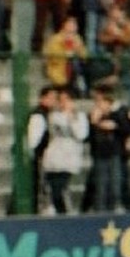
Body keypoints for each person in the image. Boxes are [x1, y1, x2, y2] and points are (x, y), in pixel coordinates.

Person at [39, 89, 88, 214]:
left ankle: (65, 212)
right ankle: (59, 211)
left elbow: (81, 134)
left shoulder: (79, 116)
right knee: (52, 188)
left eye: (66, 100)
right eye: (61, 100)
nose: (63, 103)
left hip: (68, 158)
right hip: (54, 157)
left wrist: (71, 117)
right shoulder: (53, 116)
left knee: (61, 187)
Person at [20, 86, 59, 215]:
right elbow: (32, 141)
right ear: (43, 98)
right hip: (35, 161)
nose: (54, 101)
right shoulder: (38, 116)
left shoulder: (45, 115)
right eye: (51, 98)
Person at [42, 16, 88, 97]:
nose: (72, 27)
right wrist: (64, 46)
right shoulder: (55, 39)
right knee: (74, 64)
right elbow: (52, 57)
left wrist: (78, 49)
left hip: (74, 68)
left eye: (74, 25)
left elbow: (85, 56)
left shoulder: (77, 39)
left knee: (78, 64)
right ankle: (78, 88)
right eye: (70, 25)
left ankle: (81, 89)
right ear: (64, 26)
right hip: (58, 68)